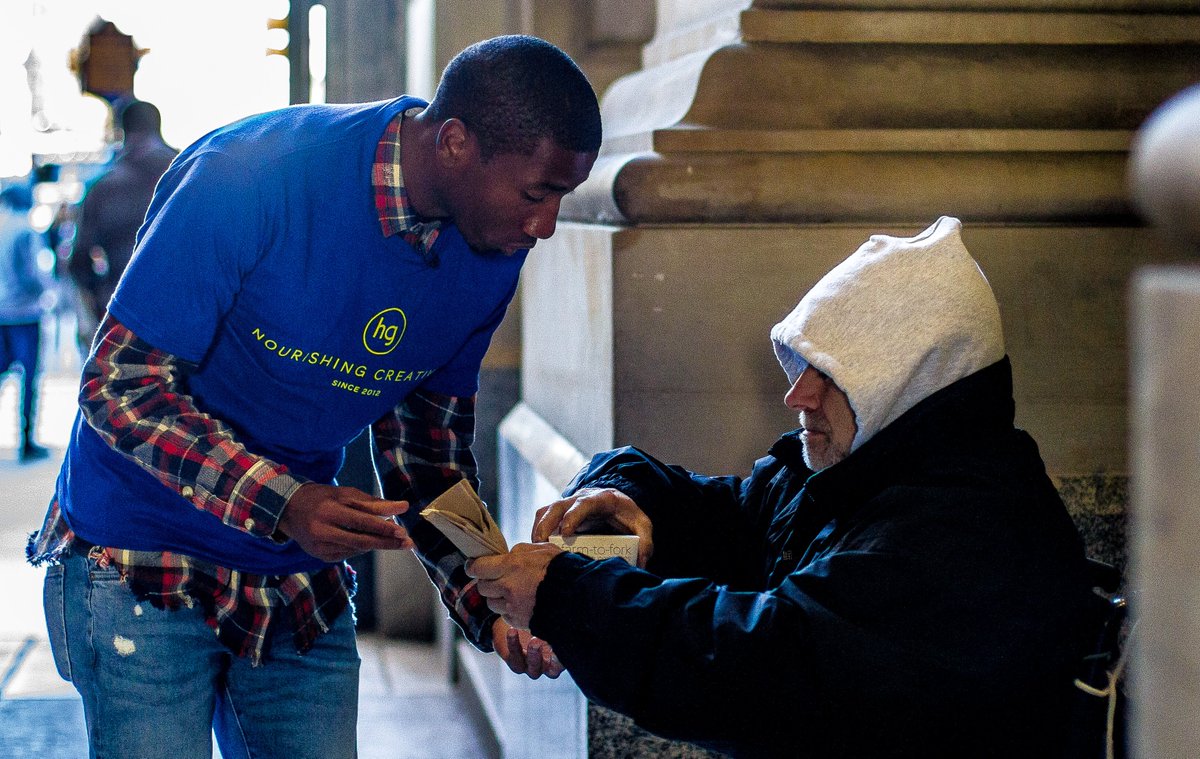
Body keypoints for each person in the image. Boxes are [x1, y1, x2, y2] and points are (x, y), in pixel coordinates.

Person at [27, 35, 600, 759]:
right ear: (455, 142)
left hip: (292, 581)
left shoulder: (491, 253)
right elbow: (119, 386)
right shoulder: (248, 177)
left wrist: (491, 601)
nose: (545, 225)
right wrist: (285, 502)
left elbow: (428, 459)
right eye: (536, 193)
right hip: (138, 558)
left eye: (562, 197)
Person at [467, 216, 1096, 758]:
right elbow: (735, 517)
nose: (797, 395)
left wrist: (567, 597)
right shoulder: (859, 467)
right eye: (801, 364)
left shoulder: (969, 533)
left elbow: (761, 669)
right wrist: (621, 493)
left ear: (910, 387)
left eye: (833, 375)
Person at [69, 99, 177, 346]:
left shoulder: (103, 187)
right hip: (185, 312)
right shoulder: (187, 175)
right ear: (158, 127)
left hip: (125, 315)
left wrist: (101, 301)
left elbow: (78, 262)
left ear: (122, 132)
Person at [0, 183, 50, 462]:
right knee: (28, 378)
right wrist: (48, 291)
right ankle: (26, 441)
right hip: (24, 313)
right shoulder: (25, 228)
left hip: (0, 312)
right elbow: (31, 271)